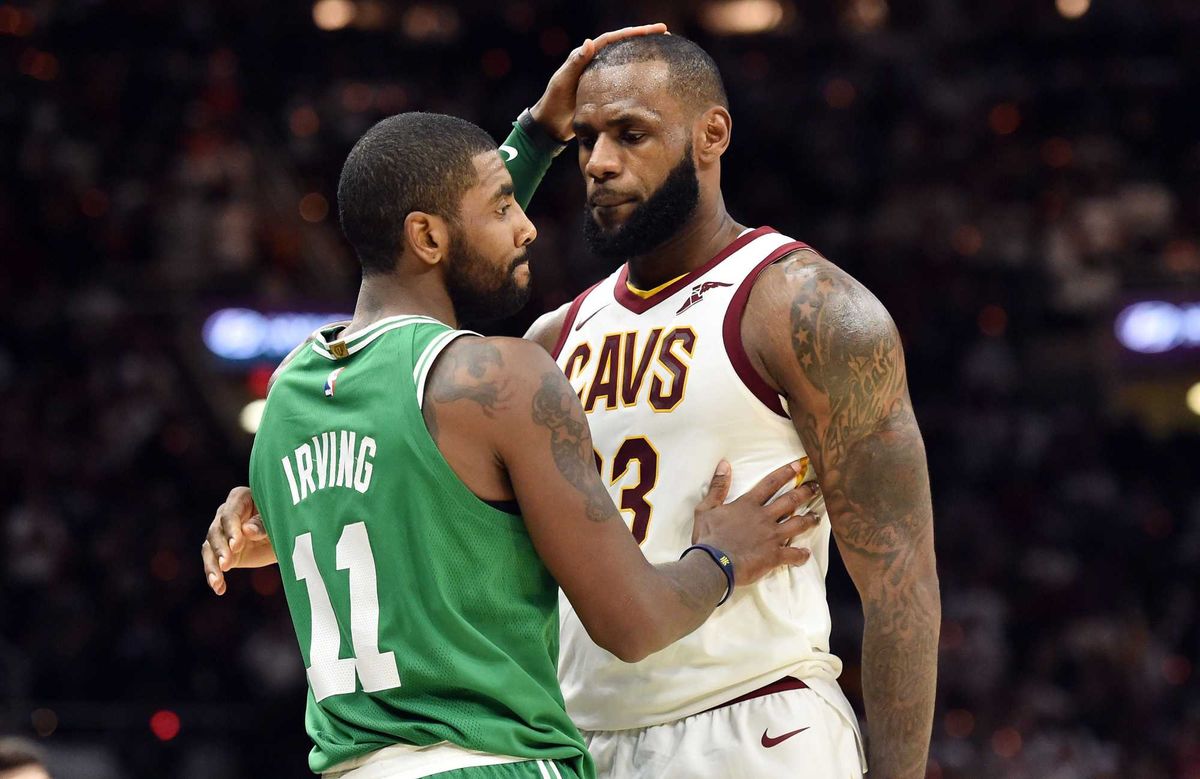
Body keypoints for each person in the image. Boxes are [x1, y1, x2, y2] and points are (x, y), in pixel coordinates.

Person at [207, 30, 940, 779]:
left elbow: (902, 583)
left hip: (754, 720)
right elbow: (424, 292)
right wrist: (298, 504)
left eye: (631, 134)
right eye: (585, 139)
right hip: (581, 739)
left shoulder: (806, 307)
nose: (598, 162)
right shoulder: (549, 338)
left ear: (711, 134)